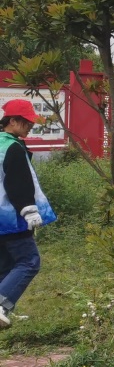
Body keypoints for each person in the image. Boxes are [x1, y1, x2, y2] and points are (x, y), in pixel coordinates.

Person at [0, 99, 57, 329]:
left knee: (5, 265)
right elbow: (17, 183)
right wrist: (29, 210)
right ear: (12, 121)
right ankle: (2, 305)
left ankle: (5, 308)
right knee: (29, 261)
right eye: (26, 123)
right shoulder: (12, 147)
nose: (30, 127)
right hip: (10, 217)